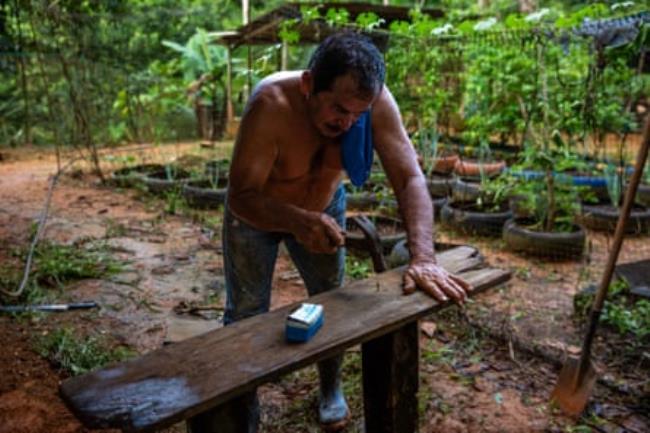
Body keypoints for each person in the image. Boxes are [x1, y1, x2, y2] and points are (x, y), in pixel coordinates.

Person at [200, 32, 471, 433]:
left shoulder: (374, 101)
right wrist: (296, 221)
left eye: (358, 115)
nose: (348, 123)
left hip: (324, 207)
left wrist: (424, 257)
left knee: (330, 302)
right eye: (339, 110)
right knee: (244, 314)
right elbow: (241, 197)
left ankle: (330, 388)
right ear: (310, 84)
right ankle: (243, 408)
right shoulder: (270, 103)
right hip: (256, 215)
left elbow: (410, 178)